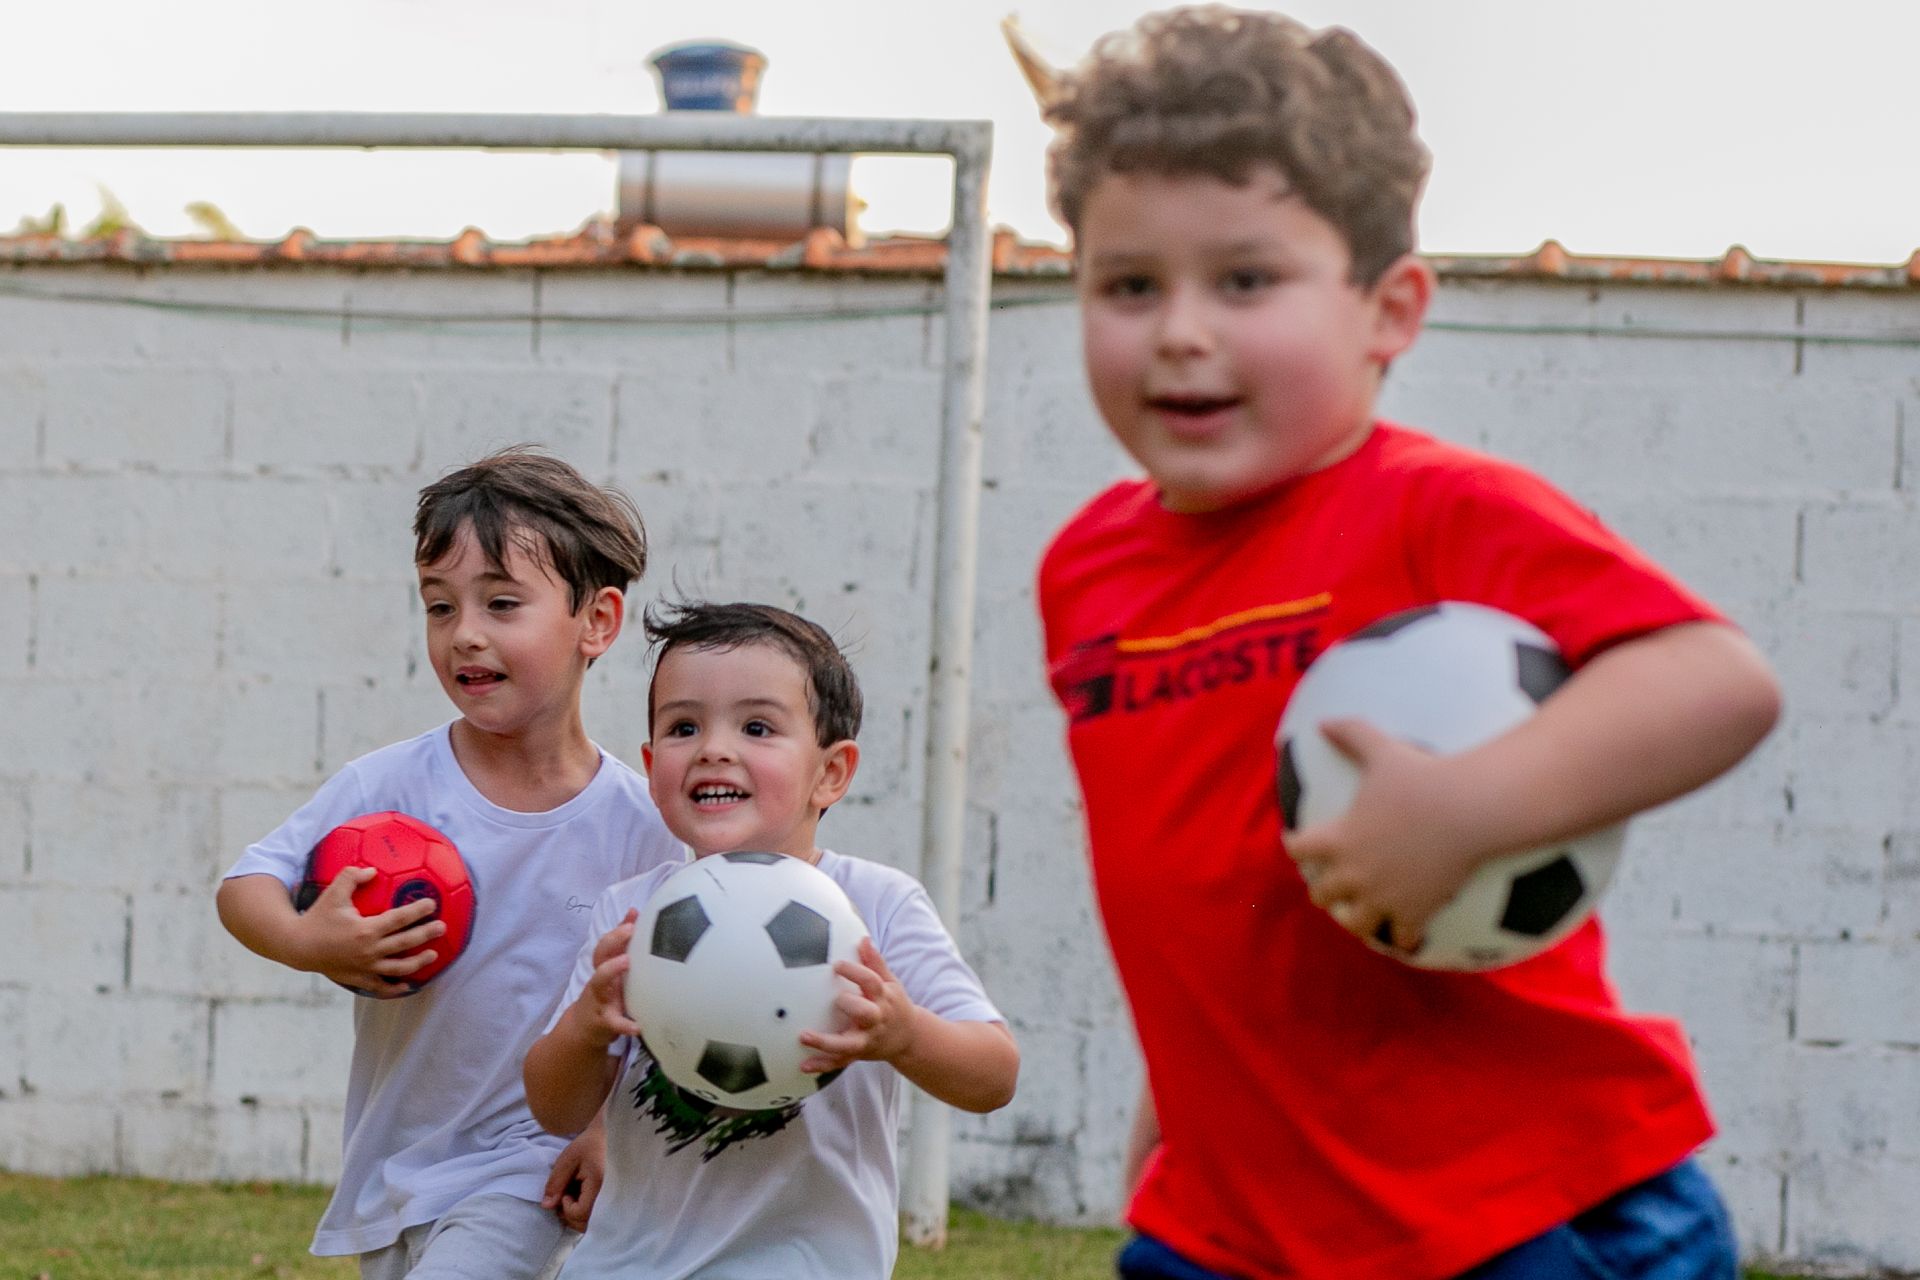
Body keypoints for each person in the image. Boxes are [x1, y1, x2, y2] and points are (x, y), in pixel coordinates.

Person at [1035, 9, 1784, 1280]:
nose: (1180, 330)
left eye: (1245, 280)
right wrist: (1183, 1108)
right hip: (1233, 1221)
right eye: (1130, 284)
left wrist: (1463, 810)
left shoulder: (1439, 510)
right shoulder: (1085, 569)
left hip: (1525, 1213)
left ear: (1390, 309)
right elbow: (1202, 887)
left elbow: (1720, 682)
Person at [216, 446, 684, 1279]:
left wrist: (604, 1130)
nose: (464, 632)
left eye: (502, 603)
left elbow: (662, 1012)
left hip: (529, 1167)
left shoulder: (643, 826)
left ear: (597, 622)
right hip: (398, 1161)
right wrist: (309, 941)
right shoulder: (387, 785)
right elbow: (245, 887)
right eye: (439, 606)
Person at [524, 600, 1018, 1280]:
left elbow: (995, 1074)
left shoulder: (878, 905)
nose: (713, 749)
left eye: (757, 727)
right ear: (651, 765)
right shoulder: (632, 914)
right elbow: (553, 1108)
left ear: (831, 773)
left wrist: (905, 1036)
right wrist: (585, 1026)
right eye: (683, 727)